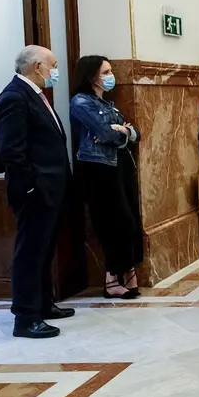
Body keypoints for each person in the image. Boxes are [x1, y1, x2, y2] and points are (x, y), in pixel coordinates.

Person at [0, 46, 75, 339]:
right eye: (53, 65)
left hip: (50, 188)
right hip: (34, 190)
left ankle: (43, 304)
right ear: (37, 66)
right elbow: (11, 151)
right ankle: (26, 317)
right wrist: (31, 185)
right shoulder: (15, 97)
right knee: (29, 252)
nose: (56, 71)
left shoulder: (34, 95)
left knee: (43, 248)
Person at [69, 56, 143, 300]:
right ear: (92, 76)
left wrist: (122, 131)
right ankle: (112, 279)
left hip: (119, 166)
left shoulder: (108, 104)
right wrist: (120, 132)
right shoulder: (81, 102)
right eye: (106, 71)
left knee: (130, 221)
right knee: (114, 223)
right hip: (98, 169)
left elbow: (135, 134)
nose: (112, 75)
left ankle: (129, 272)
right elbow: (103, 132)